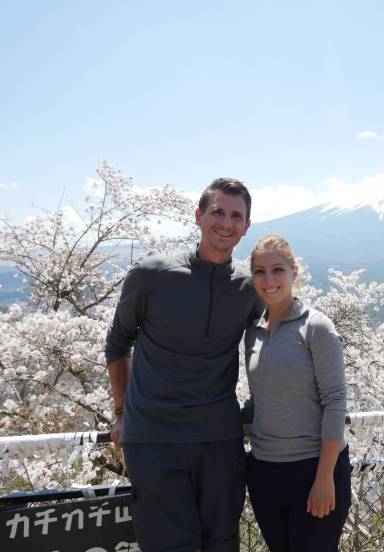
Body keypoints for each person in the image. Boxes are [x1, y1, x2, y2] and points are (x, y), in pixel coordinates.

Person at [105, 178, 262, 552]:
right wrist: (121, 412)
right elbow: (117, 342)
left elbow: (270, 348)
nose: (226, 223)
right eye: (217, 212)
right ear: (198, 216)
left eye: (236, 216)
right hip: (154, 438)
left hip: (220, 440)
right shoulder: (151, 274)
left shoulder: (250, 287)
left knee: (221, 544)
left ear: (246, 226)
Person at [244, 234, 350, 552]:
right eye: (260, 272)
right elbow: (260, 399)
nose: (269, 280)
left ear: (294, 272)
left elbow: (335, 402)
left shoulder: (316, 327)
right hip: (264, 472)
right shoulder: (253, 333)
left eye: (277, 269)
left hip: (313, 469)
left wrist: (324, 478)